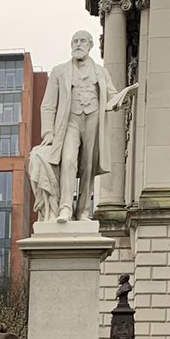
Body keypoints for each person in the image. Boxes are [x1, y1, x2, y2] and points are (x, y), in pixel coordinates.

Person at [38, 29, 121, 222]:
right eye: (75, 41)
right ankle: (65, 207)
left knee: (88, 166)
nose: (78, 44)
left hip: (93, 119)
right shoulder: (60, 71)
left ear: (90, 45)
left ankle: (82, 210)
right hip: (70, 122)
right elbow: (48, 105)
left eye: (82, 41)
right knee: (68, 161)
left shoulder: (101, 72)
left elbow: (112, 95)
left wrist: (121, 99)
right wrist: (48, 132)